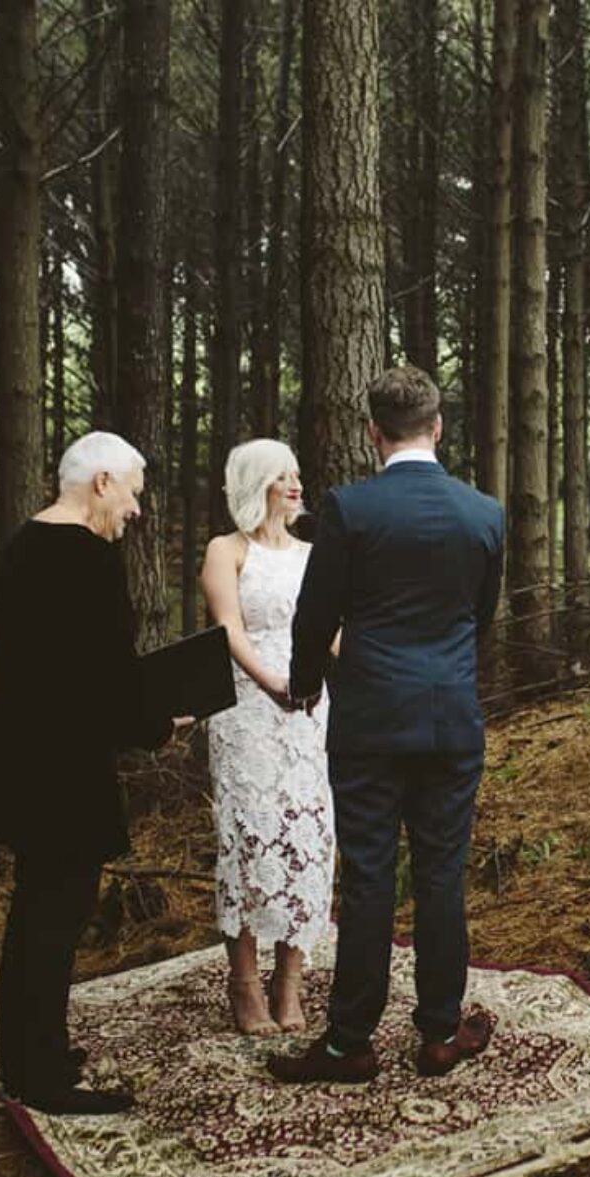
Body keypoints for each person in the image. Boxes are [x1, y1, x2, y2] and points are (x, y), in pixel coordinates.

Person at [268, 366, 505, 1085]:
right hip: (451, 719)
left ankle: (349, 1043)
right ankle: (439, 1031)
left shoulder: (351, 508)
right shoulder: (484, 512)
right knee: (441, 874)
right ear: (438, 428)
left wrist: (305, 684)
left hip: (370, 720)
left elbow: (317, 614)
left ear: (374, 432)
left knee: (369, 877)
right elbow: (480, 616)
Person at [0, 432, 191, 1115]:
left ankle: (32, 1050)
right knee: (54, 912)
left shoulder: (22, 545)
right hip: (61, 765)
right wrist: (158, 724)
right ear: (101, 481)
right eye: (131, 493)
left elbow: (52, 667)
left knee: (40, 904)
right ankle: (38, 1075)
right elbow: (105, 673)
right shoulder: (87, 558)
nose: (135, 511)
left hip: (20, 755)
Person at [200, 439, 333, 1035]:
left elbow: (334, 634)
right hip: (249, 709)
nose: (297, 484)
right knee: (250, 841)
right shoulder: (226, 551)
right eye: (284, 475)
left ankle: (290, 982)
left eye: (298, 474)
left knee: (307, 835)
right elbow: (228, 627)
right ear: (259, 484)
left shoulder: (314, 554)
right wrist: (273, 682)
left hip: (309, 711)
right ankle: (244, 983)